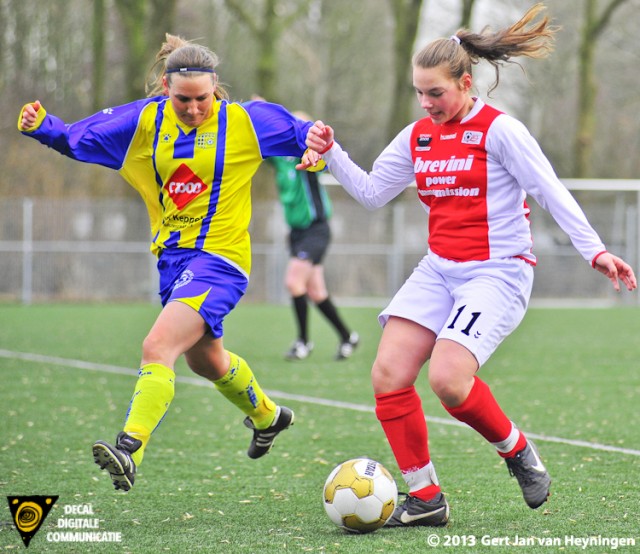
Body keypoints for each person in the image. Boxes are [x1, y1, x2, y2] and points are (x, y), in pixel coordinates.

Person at [301, 3, 637, 526]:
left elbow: (548, 190)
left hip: (498, 271)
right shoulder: (418, 137)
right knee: (388, 374)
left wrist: (594, 249)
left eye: (436, 92)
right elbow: (370, 194)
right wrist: (332, 152)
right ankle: (425, 497)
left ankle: (518, 451)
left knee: (449, 379)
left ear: (465, 82)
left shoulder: (500, 130)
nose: (426, 102)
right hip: (440, 268)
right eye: (419, 92)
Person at [17, 33, 322, 492]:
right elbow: (81, 138)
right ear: (165, 87)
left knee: (157, 347)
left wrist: (315, 147)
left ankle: (129, 448)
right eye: (183, 99)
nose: (194, 108)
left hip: (221, 260)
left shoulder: (245, 121)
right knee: (206, 360)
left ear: (215, 87)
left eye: (202, 98)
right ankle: (268, 416)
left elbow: (303, 135)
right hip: (171, 260)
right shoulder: (144, 121)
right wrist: (43, 127)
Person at [267, 111, 359, 361]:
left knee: (294, 283)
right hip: (296, 233)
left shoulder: (307, 158)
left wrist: (315, 148)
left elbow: (318, 159)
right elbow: (263, 143)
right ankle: (347, 336)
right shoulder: (281, 159)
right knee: (316, 292)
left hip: (315, 231)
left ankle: (303, 342)